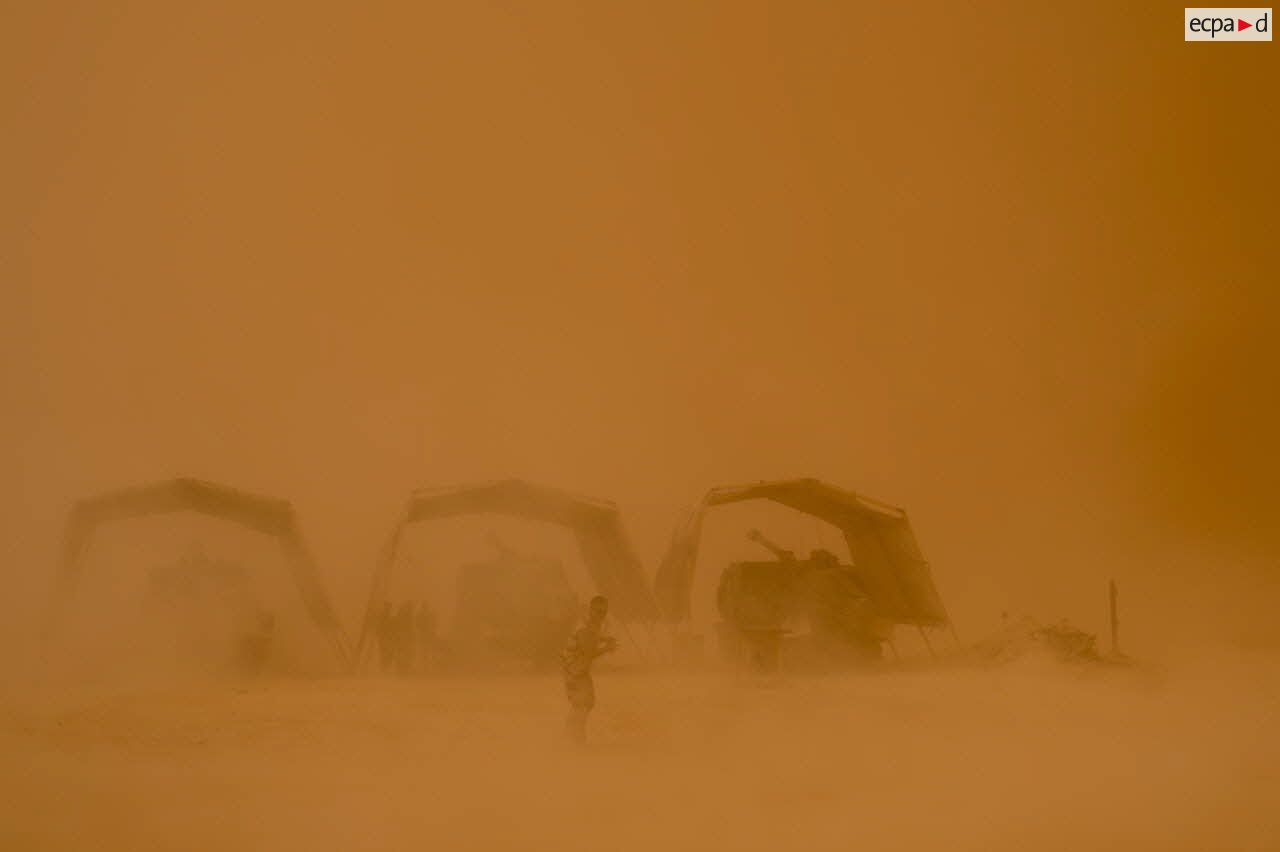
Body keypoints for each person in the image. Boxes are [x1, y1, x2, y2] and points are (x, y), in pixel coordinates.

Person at [560, 595, 618, 745]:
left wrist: (604, 640)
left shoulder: (591, 624)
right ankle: (575, 736)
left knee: (585, 702)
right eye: (598, 611)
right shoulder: (585, 627)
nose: (601, 615)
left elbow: (590, 640)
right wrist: (607, 648)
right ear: (591, 610)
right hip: (575, 670)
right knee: (584, 703)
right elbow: (589, 651)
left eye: (604, 612)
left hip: (576, 669)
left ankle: (571, 732)